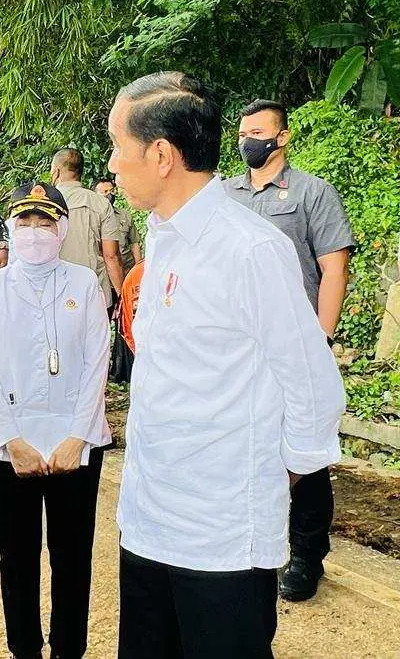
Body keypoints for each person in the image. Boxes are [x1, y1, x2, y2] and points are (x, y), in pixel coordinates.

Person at [106, 72, 345, 658]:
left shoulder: (250, 249)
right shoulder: (162, 238)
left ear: (161, 155)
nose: (111, 164)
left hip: (220, 536)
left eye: (118, 147)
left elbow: (312, 383)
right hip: (150, 519)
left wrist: (273, 473)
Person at [0, 182, 110, 659]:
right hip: (11, 446)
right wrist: (12, 441)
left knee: (73, 559)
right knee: (18, 559)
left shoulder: (84, 282)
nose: (33, 232)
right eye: (24, 222)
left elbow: (96, 363)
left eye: (45, 222)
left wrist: (76, 437)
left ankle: (69, 650)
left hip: (75, 441)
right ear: (10, 226)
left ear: (62, 228)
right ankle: (23, 650)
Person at [225, 98, 355, 602]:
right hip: (240, 353)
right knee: (246, 444)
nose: (247, 141)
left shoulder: (312, 193)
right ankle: (253, 540)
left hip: (296, 348)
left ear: (282, 138)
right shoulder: (226, 195)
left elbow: (333, 269)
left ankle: (305, 556)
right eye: (242, 132)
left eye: (258, 131)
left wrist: (320, 340)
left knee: (306, 451)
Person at [50, 149, 124, 309]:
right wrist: (122, 296)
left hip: (54, 291)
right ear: (80, 172)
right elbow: (111, 255)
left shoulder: (45, 203)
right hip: (94, 291)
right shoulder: (101, 204)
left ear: (55, 171)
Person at [95, 178, 142, 272]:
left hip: (127, 269)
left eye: (111, 191)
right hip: (104, 273)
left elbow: (134, 244)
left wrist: (138, 269)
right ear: (95, 195)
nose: (109, 194)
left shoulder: (124, 215)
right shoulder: (92, 218)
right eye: (105, 192)